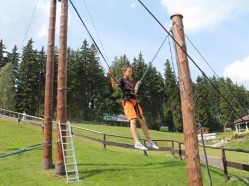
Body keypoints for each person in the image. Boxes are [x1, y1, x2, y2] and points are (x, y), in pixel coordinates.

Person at [109, 66, 159, 150]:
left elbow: (134, 93)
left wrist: (137, 85)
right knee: (133, 120)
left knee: (143, 121)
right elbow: (114, 87)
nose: (131, 73)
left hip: (134, 102)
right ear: (124, 72)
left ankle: (150, 142)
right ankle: (137, 143)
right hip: (127, 101)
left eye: (131, 71)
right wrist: (111, 76)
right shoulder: (121, 79)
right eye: (129, 71)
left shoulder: (130, 82)